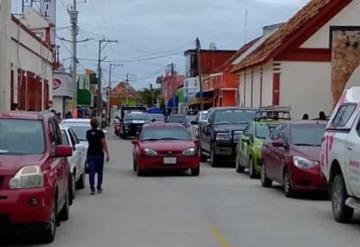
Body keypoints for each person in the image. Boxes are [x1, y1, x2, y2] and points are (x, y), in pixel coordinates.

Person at [86, 117, 110, 195]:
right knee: (99, 171)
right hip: (99, 154)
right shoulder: (100, 133)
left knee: (91, 172)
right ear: (97, 124)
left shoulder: (88, 133)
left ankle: (92, 188)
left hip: (90, 154)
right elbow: (103, 143)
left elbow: (89, 140)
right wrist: (107, 153)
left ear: (91, 124)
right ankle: (99, 187)